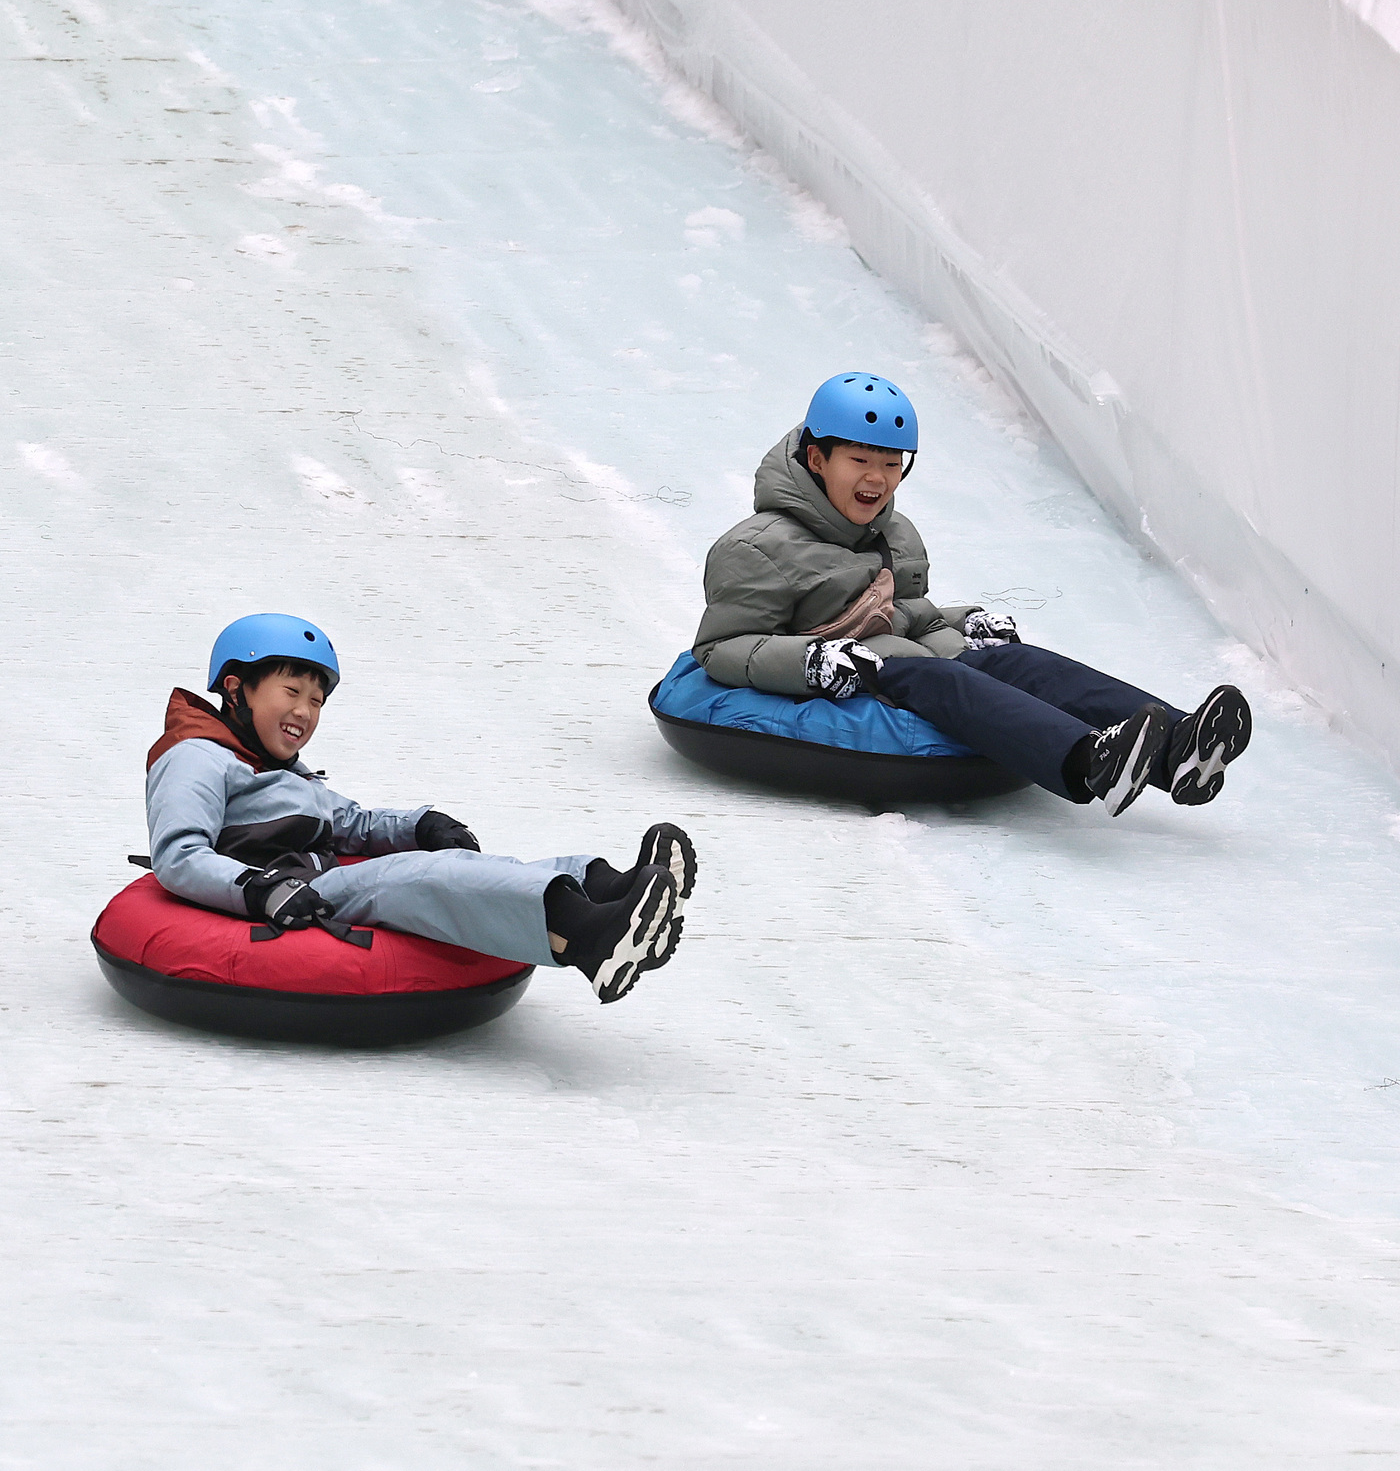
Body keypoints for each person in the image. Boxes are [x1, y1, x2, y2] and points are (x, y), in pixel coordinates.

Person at [693, 372, 1251, 815]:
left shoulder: (894, 533)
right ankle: (1088, 759)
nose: (878, 479)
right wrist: (813, 662)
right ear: (818, 460)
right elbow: (720, 649)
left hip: (903, 652)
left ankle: (1180, 746)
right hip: (849, 674)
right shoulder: (757, 548)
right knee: (943, 680)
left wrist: (962, 621)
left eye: (891, 464)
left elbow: (904, 612)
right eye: (860, 461)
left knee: (1020, 663)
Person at [146, 614, 695, 1003]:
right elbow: (179, 854)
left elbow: (352, 823)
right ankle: (587, 938)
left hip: (308, 881)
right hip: (280, 891)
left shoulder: (284, 770)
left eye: (316, 700)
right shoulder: (197, 757)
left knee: (458, 864)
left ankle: (606, 888)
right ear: (237, 689)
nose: (305, 712)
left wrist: (420, 824)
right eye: (291, 692)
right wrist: (260, 890)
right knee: (408, 877)